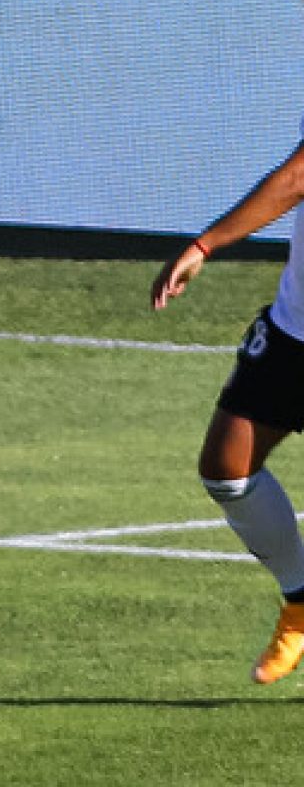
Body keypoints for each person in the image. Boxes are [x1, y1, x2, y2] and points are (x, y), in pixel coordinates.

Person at [151, 125, 304, 684]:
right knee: (226, 468)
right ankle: (301, 603)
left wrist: (205, 245)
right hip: (294, 332)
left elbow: (297, 177)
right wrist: (205, 246)